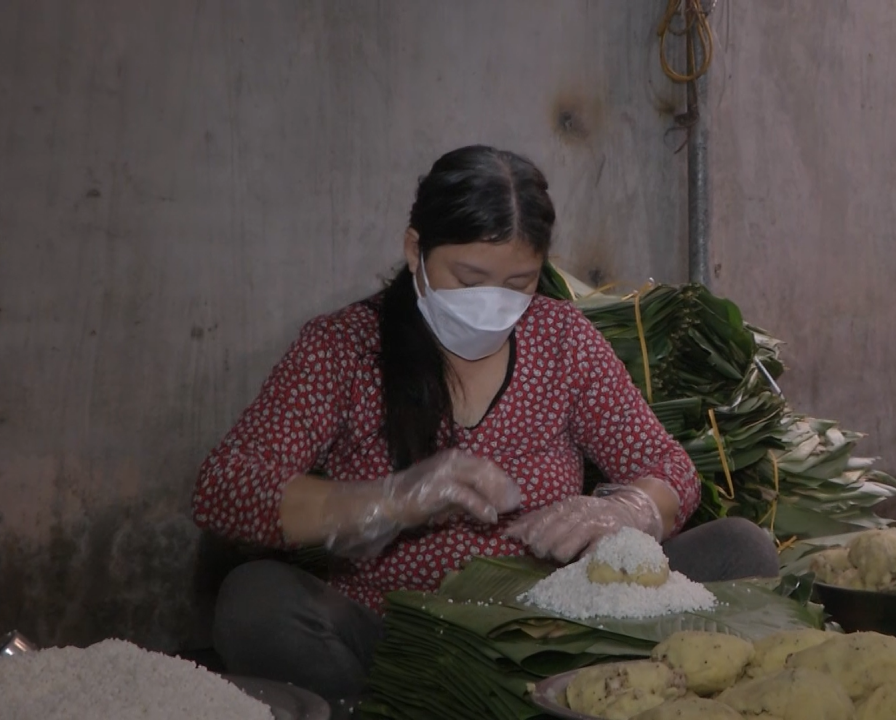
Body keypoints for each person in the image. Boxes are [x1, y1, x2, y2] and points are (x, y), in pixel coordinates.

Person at [191, 145, 779, 706]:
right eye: (468, 279)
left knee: (739, 550)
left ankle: (566, 697)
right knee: (254, 603)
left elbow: (668, 467)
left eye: (518, 282)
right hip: (395, 642)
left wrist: (627, 513)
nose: (491, 302)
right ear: (415, 249)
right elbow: (225, 486)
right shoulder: (343, 347)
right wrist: (388, 500)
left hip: (557, 635)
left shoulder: (561, 340)